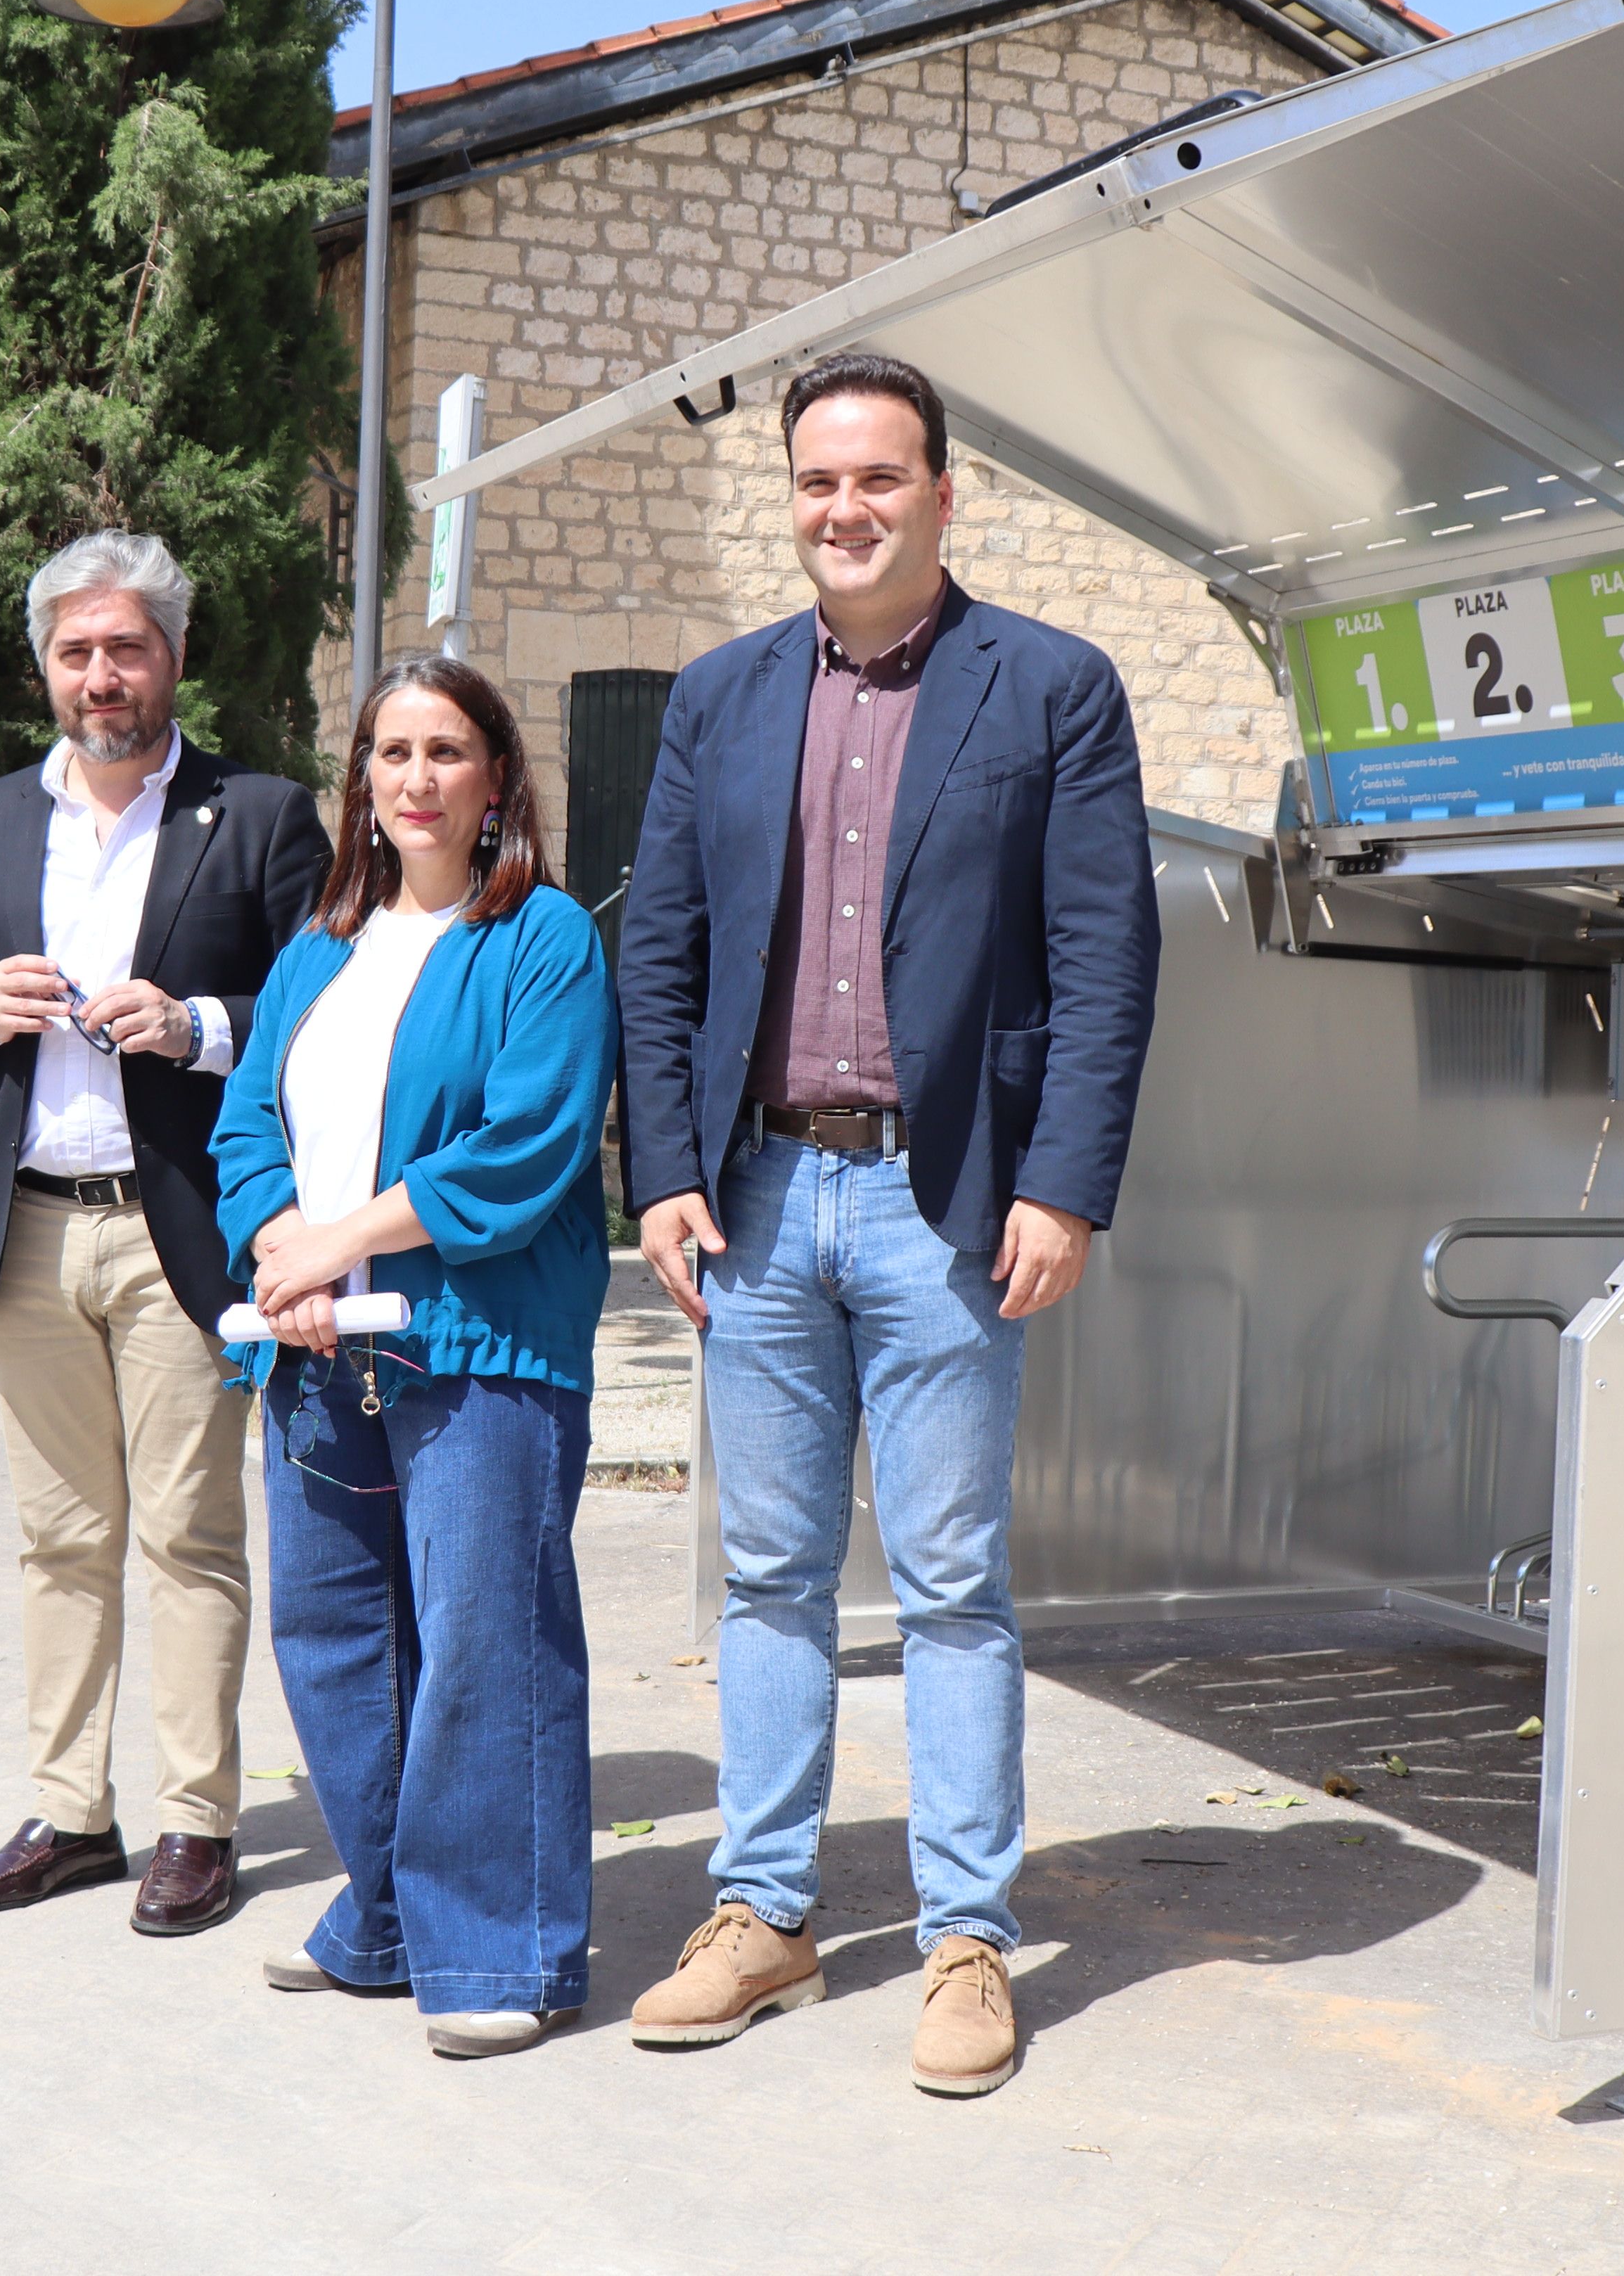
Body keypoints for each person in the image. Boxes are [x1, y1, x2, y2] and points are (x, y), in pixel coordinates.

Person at [615, 353, 1161, 2097]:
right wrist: (662, 1164)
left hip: (949, 1199)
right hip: (762, 1193)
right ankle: (766, 1913)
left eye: (877, 477)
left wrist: (1065, 1180)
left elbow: (1104, 958)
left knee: (948, 1581)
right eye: (814, 481)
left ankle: (966, 1938)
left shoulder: (1053, 688)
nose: (841, 508)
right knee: (766, 1573)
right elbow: (665, 954)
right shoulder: (718, 696)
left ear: (942, 491)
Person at [0, 529, 331, 1934]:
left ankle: (199, 1821)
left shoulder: (255, 817)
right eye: (76, 651)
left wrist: (199, 1027)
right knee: (59, 1537)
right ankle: (71, 1813)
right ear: (45, 667)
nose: (100, 674)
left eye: (125, 647)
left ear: (174, 657)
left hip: (176, 1231)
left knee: (191, 1535)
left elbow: (332, 1010)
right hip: (28, 1231)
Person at [211, 656, 616, 2060]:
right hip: (316, 1348)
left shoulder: (546, 938)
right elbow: (245, 1126)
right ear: (361, 783)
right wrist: (283, 1250)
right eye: (392, 752)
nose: (417, 778)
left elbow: (524, 1148)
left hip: (483, 1347)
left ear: (497, 777)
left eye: (448, 750)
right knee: (330, 1639)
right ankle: (385, 1911)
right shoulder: (318, 948)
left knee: (483, 1645)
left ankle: (505, 1948)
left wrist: (337, 1245)